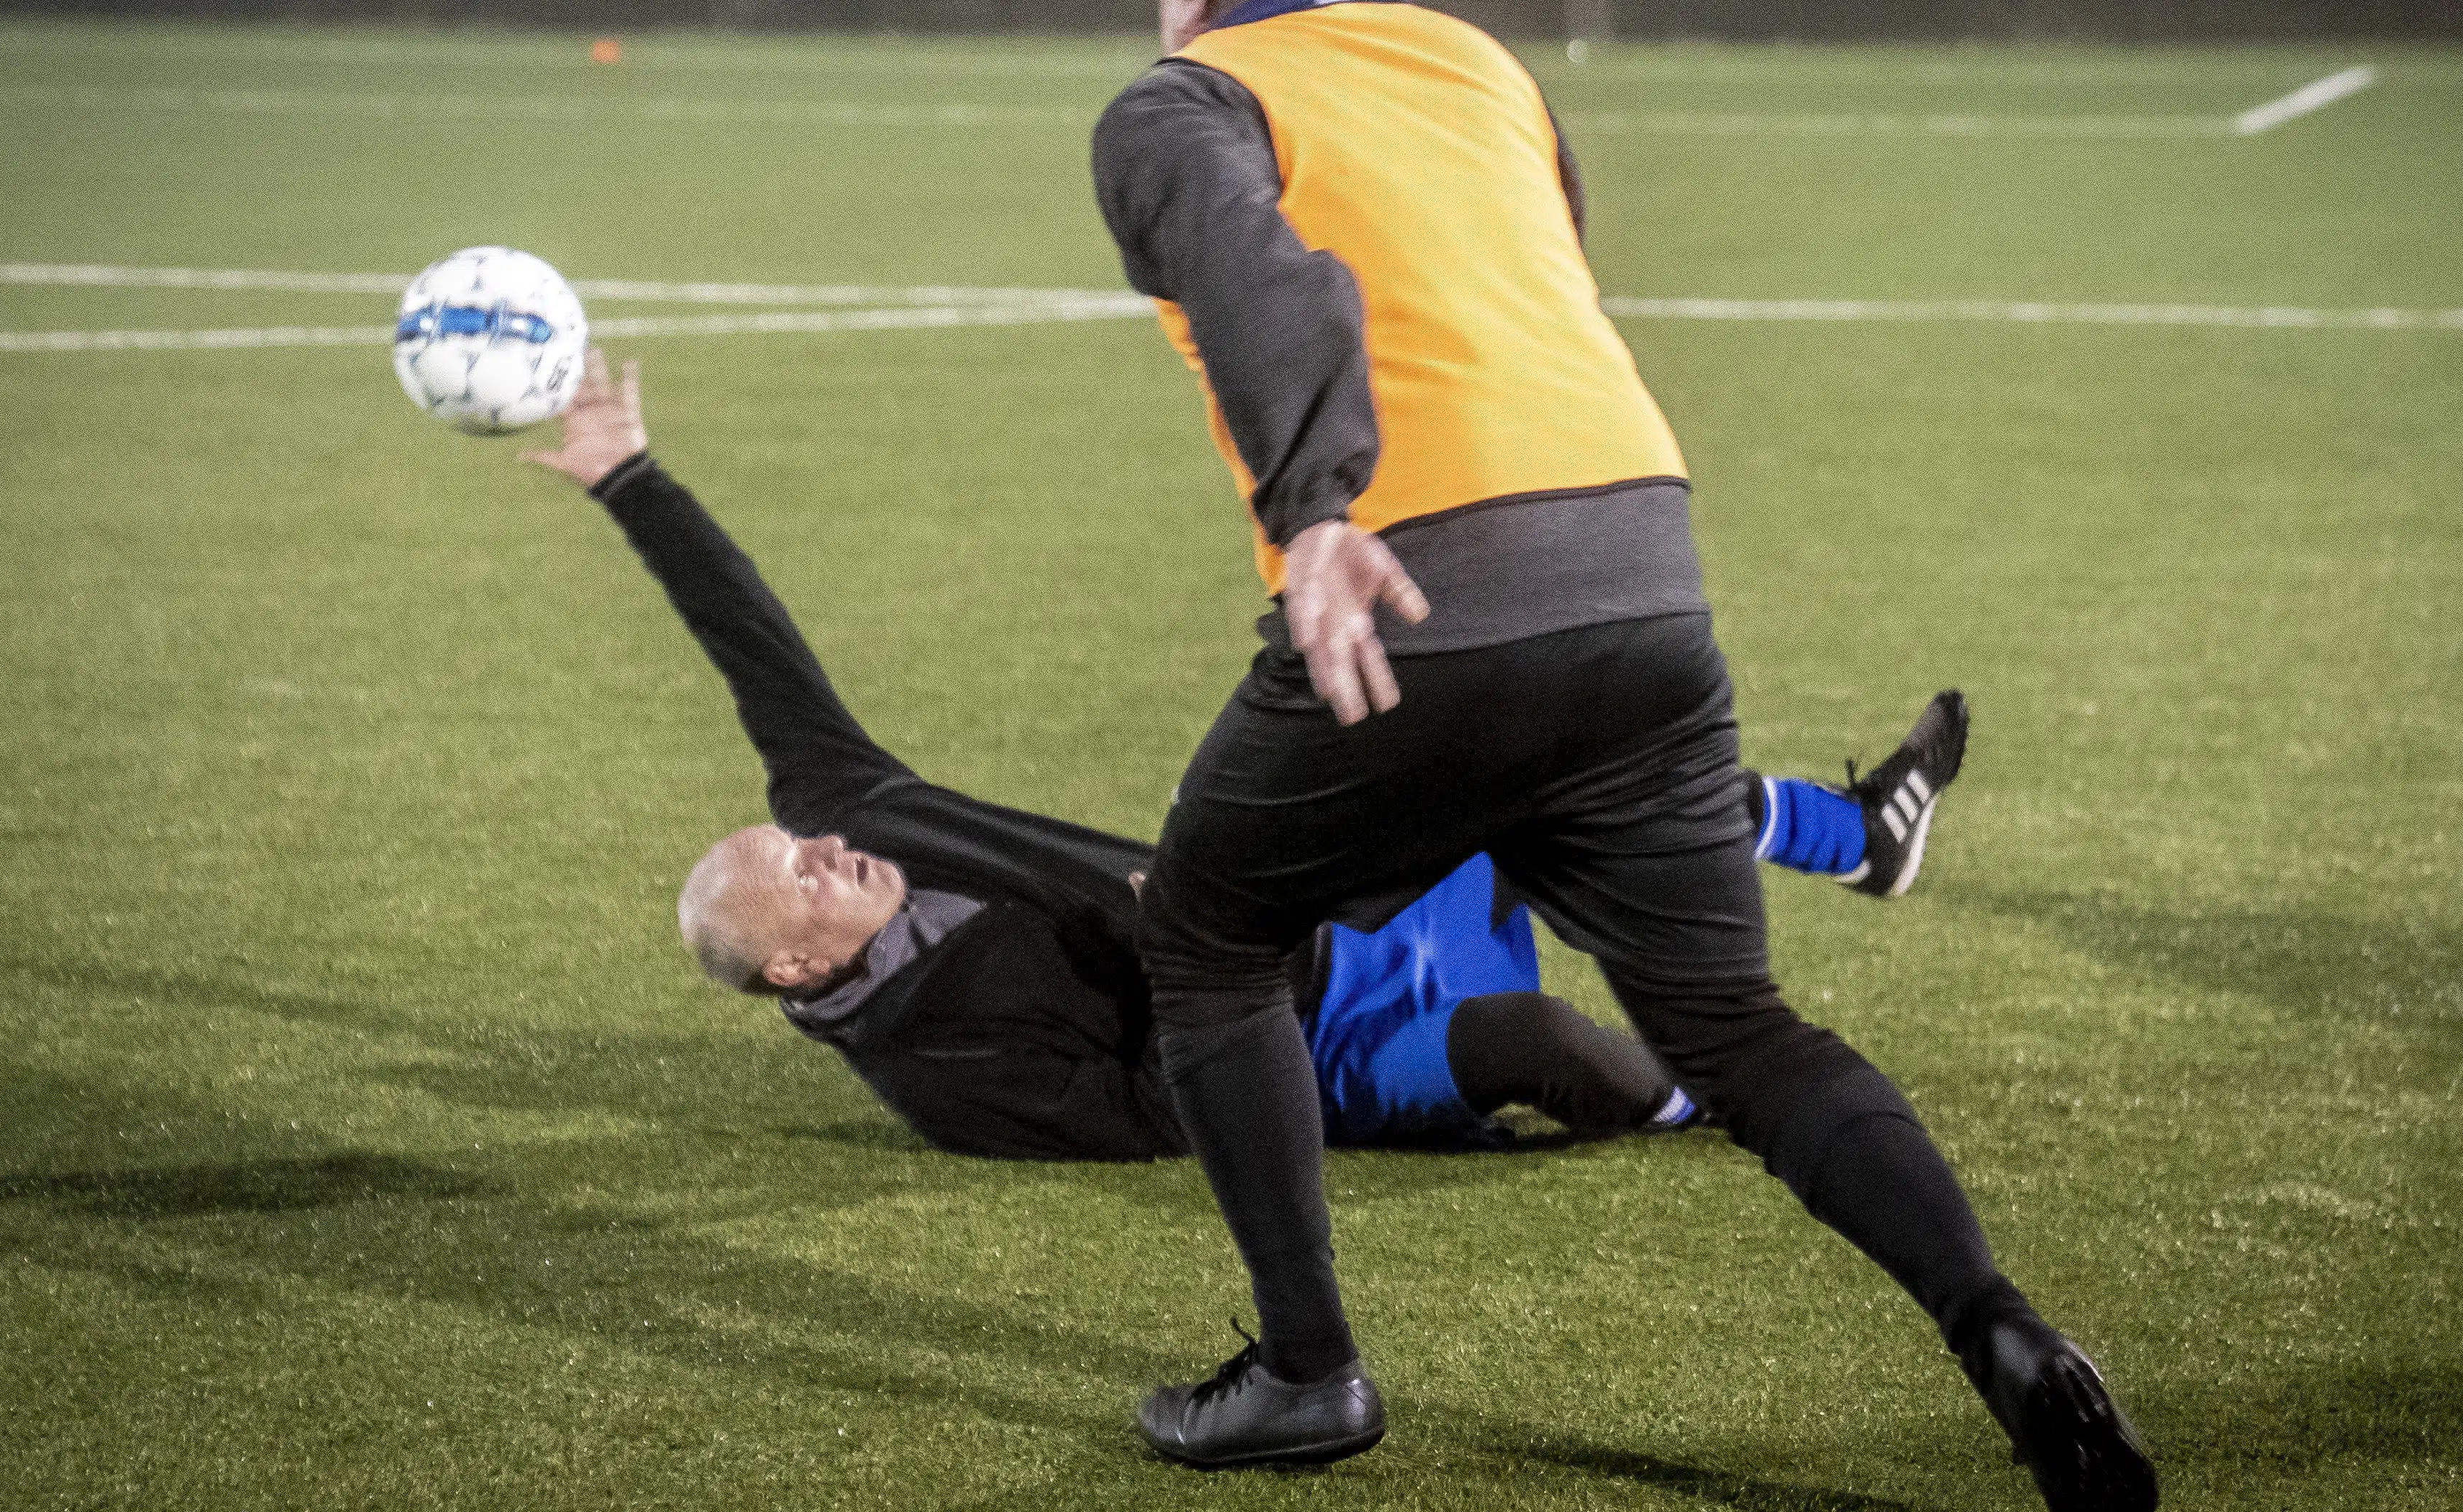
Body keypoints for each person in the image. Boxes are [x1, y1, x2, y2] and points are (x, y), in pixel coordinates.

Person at [1090, 0, 2153, 1512]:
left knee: (1205, 936)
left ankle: (1307, 1370)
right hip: (1645, 576)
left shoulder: (1179, 98)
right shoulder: (1484, 65)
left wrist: (1312, 516)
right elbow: (1543, 269)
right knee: (1738, 1035)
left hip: (1415, 586)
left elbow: (1269, 273)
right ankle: (2001, 1330)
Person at [517, 351, 1958, 1162]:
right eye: (799, 879)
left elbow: (745, 639)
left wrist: (628, 477)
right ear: (791, 968)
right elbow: (1150, 1112)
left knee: (1524, 754)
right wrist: (1196, 955)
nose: (822, 850)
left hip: (1326, 919)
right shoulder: (937, 1073)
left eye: (796, 840)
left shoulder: (851, 803)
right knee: (1529, 1041)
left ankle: (1854, 836)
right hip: (1314, 1046)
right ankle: (1708, 1094)